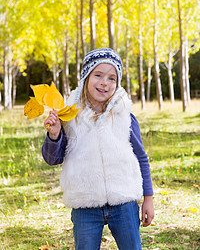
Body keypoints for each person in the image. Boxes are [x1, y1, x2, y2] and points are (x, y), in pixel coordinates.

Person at [42, 48, 154, 250]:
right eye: (98, 75)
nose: (104, 82)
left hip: (124, 201)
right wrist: (54, 134)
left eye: (112, 78)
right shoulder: (69, 117)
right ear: (86, 76)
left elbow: (141, 158)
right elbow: (53, 158)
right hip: (85, 204)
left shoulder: (124, 116)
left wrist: (148, 198)